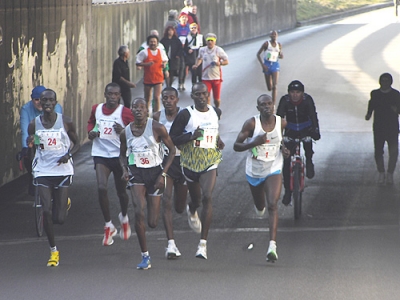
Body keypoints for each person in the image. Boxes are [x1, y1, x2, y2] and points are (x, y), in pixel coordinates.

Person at [169, 82, 224, 260]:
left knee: (208, 196)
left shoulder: (216, 112)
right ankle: (192, 210)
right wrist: (190, 137)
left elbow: (213, 131)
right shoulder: (186, 115)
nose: (201, 97)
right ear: (192, 97)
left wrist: (218, 141)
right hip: (190, 163)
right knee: (197, 199)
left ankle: (203, 245)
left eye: (204, 94)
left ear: (208, 95)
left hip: (210, 160)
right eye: (197, 94)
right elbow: (172, 138)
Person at [119, 98, 176, 270]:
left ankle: (151, 239)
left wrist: (163, 174)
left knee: (152, 222)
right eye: (135, 107)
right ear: (131, 110)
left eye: (141, 107)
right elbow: (121, 154)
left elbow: (172, 150)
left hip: (156, 173)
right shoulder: (126, 132)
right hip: (136, 173)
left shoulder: (157, 128)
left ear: (147, 111)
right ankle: (145, 256)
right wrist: (124, 170)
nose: (138, 110)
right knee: (138, 211)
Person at [233, 94, 289, 262]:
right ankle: (259, 206)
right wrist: (253, 143)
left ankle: (272, 246)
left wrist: (285, 150)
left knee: (273, 204)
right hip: (254, 170)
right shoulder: (251, 124)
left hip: (273, 167)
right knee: (261, 206)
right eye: (262, 105)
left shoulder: (281, 122)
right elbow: (236, 146)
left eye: (269, 103)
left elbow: (280, 140)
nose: (267, 107)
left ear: (274, 105)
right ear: (258, 108)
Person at [27, 89, 79, 267]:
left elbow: (77, 142)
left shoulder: (66, 122)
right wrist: (30, 143)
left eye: (51, 100)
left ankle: (65, 202)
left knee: (60, 219)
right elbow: (32, 143)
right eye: (44, 101)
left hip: (62, 170)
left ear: (56, 102)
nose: (47, 103)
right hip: (43, 171)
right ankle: (53, 251)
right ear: (39, 103)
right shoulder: (34, 124)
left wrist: (68, 155)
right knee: (46, 211)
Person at [87, 83, 134, 246]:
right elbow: (91, 122)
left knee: (122, 192)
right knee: (101, 187)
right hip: (101, 154)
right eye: (110, 94)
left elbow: (136, 130)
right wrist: (91, 132)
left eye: (116, 94)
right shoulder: (96, 109)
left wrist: (124, 130)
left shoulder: (125, 112)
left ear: (120, 96)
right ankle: (108, 225)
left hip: (119, 157)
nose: (113, 97)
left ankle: (124, 217)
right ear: (105, 95)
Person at [153, 87, 188, 259]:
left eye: (171, 98)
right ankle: (171, 244)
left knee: (179, 208)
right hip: (166, 163)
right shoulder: (157, 117)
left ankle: (191, 208)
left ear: (177, 100)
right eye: (165, 97)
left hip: (184, 162)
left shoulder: (186, 116)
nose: (168, 100)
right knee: (166, 201)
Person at [276, 80, 320, 205]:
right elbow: (278, 118)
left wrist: (316, 131)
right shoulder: (285, 100)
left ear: (302, 93)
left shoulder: (308, 100)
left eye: (298, 92)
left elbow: (313, 116)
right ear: (289, 93)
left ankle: (310, 161)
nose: (295, 95)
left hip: (305, 128)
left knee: (308, 144)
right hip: (291, 129)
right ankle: (288, 192)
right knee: (286, 160)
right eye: (292, 92)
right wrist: (277, 136)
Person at [19, 85, 62, 196]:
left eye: (41, 100)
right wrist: (26, 147)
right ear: (32, 100)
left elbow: (58, 129)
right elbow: (25, 130)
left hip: (53, 142)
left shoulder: (56, 107)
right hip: (36, 142)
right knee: (29, 157)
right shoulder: (26, 109)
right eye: (36, 100)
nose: (39, 103)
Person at [365, 73, 400, 185]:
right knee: (378, 151)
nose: (385, 83)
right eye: (383, 80)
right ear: (380, 81)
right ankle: (381, 172)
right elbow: (371, 105)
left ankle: (390, 174)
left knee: (393, 152)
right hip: (379, 127)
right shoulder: (375, 94)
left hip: (392, 127)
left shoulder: (396, 94)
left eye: (387, 80)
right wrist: (368, 114)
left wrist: (397, 110)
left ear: (391, 82)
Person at [192, 33, 229, 108]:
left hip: (216, 78)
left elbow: (226, 61)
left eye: (212, 40)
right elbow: (199, 58)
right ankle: (209, 112)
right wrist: (196, 65)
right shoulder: (202, 50)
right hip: (206, 78)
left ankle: (217, 108)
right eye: (208, 40)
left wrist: (220, 63)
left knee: (217, 99)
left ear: (215, 41)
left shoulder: (218, 50)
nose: (210, 42)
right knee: (207, 97)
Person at [136, 35, 169, 115]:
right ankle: (146, 114)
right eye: (151, 42)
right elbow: (137, 62)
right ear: (148, 43)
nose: (153, 43)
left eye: (154, 42)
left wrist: (164, 66)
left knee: (157, 97)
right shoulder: (144, 52)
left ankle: (156, 114)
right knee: (147, 98)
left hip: (158, 78)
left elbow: (165, 60)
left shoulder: (161, 51)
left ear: (157, 43)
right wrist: (146, 64)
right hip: (148, 78)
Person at [256, 30, 283, 105]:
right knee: (269, 87)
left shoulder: (279, 45)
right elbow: (258, 54)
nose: (274, 36)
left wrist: (281, 56)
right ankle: (271, 87)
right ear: (270, 36)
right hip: (267, 65)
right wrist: (262, 65)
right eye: (272, 35)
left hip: (275, 65)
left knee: (275, 85)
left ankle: (273, 104)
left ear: (277, 36)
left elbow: (280, 54)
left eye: (275, 35)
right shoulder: (266, 44)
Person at [176, 12, 191, 91]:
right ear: (180, 18)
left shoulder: (189, 27)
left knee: (186, 67)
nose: (184, 19)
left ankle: (183, 83)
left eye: (185, 17)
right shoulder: (177, 27)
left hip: (187, 50)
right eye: (183, 17)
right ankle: (180, 83)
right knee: (181, 67)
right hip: (180, 50)